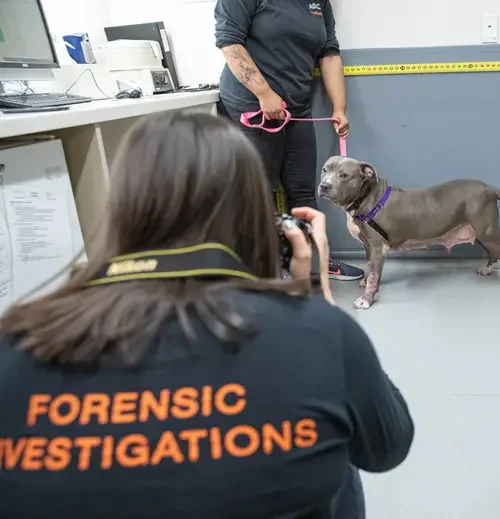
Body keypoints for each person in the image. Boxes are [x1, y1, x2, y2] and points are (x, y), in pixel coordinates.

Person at [0, 111, 414, 519]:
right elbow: (386, 447)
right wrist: (315, 303)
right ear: (253, 212)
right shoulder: (318, 332)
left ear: (121, 208)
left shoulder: (15, 345)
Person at [215, 0, 365, 282]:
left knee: (304, 190)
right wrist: (264, 93)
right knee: (261, 192)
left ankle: (316, 262)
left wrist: (339, 108)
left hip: (296, 108)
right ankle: (269, 267)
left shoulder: (319, 2)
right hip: (252, 104)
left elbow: (329, 52)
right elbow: (230, 44)